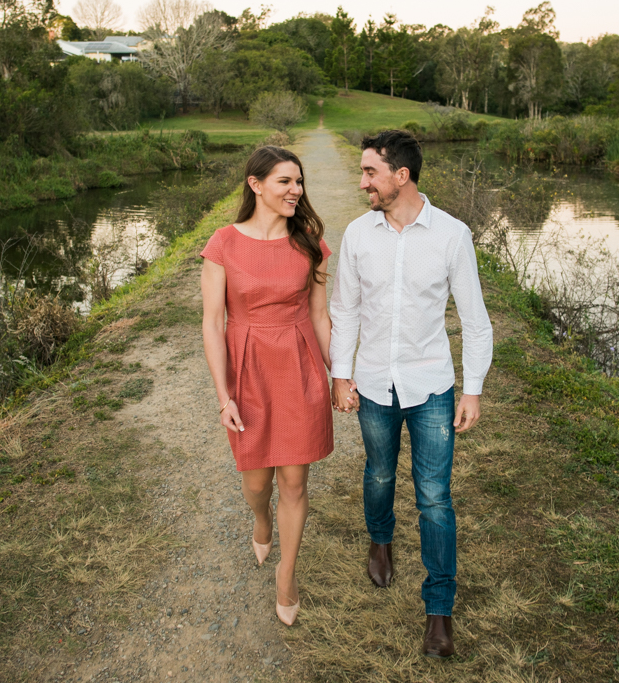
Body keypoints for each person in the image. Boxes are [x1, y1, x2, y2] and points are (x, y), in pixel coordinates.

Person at [329, 130, 493, 658]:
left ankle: (439, 610)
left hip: (431, 388)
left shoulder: (452, 235)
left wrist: (473, 391)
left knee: (435, 498)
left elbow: (475, 320)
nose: (362, 183)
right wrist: (341, 373)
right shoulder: (358, 234)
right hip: (374, 384)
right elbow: (345, 310)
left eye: (370, 172)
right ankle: (380, 538)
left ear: (402, 175)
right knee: (378, 473)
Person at [200, 145, 334, 627]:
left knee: (295, 480)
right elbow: (213, 323)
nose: (297, 191)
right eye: (286, 182)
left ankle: (287, 574)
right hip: (249, 370)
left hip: (298, 367)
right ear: (256, 185)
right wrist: (224, 396)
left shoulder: (309, 241)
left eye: (299, 182)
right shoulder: (223, 243)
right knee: (257, 482)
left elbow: (319, 313)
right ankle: (260, 518)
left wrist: (338, 374)